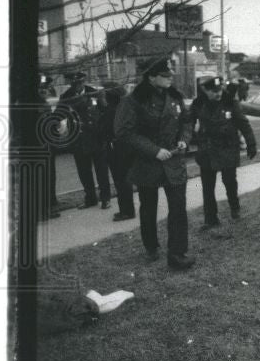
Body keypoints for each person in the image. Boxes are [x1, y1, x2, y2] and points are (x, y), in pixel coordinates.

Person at [114, 58, 194, 270]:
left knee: (178, 209)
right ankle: (151, 247)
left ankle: (177, 254)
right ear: (151, 77)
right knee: (148, 208)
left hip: (173, 161)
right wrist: (154, 150)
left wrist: (184, 139)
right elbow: (124, 132)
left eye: (170, 75)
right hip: (147, 162)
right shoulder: (133, 101)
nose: (170, 78)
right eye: (165, 75)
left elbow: (187, 121)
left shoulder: (175, 97)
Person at [193, 76, 256, 229]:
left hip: (227, 149)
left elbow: (243, 123)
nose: (218, 94)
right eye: (214, 91)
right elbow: (188, 122)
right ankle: (211, 219)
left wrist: (251, 143)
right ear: (205, 90)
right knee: (207, 187)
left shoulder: (230, 102)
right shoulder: (199, 103)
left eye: (219, 90)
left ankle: (235, 209)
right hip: (207, 151)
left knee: (230, 182)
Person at [58, 71, 111, 209]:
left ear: (84, 81)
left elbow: (105, 111)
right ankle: (90, 198)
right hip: (79, 140)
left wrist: (104, 132)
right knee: (84, 172)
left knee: (102, 171)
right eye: (74, 83)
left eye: (80, 82)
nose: (77, 86)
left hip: (97, 138)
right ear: (71, 83)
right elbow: (59, 116)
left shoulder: (94, 93)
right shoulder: (66, 97)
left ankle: (106, 198)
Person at [101, 83, 135, 221]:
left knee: (121, 181)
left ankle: (126, 211)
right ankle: (127, 210)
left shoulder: (110, 112)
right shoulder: (124, 109)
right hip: (126, 147)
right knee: (125, 180)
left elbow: (103, 131)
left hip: (116, 149)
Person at [37, 74, 62, 219]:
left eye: (46, 87)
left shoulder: (50, 101)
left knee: (50, 175)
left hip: (48, 144)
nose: (45, 90)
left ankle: (51, 203)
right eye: (42, 87)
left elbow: (55, 118)